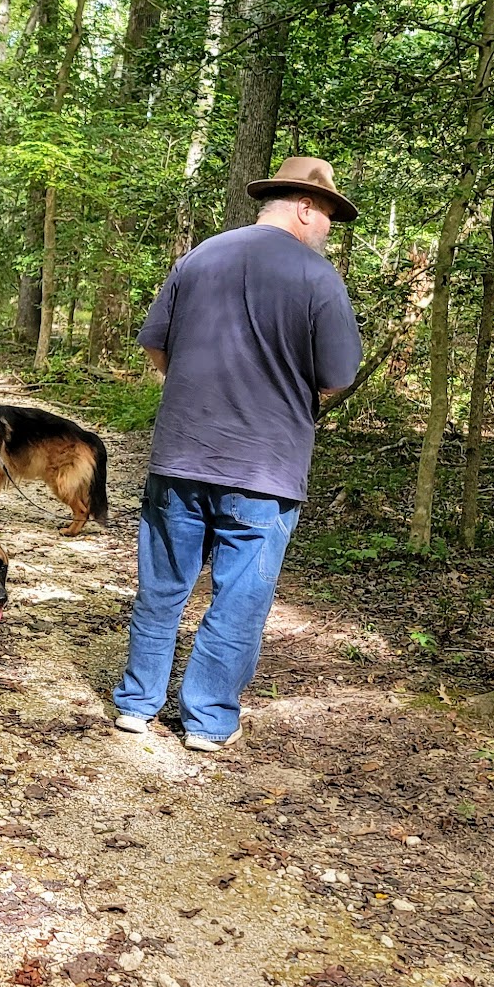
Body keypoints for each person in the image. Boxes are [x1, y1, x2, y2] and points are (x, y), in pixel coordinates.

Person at [112, 156, 364, 750]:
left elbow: (156, 347)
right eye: (328, 215)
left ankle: (136, 704)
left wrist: (197, 395)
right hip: (265, 468)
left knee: (162, 586)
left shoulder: (201, 256)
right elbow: (337, 376)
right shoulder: (318, 278)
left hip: (180, 455)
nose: (328, 229)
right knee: (240, 597)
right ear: (306, 207)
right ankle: (207, 719)